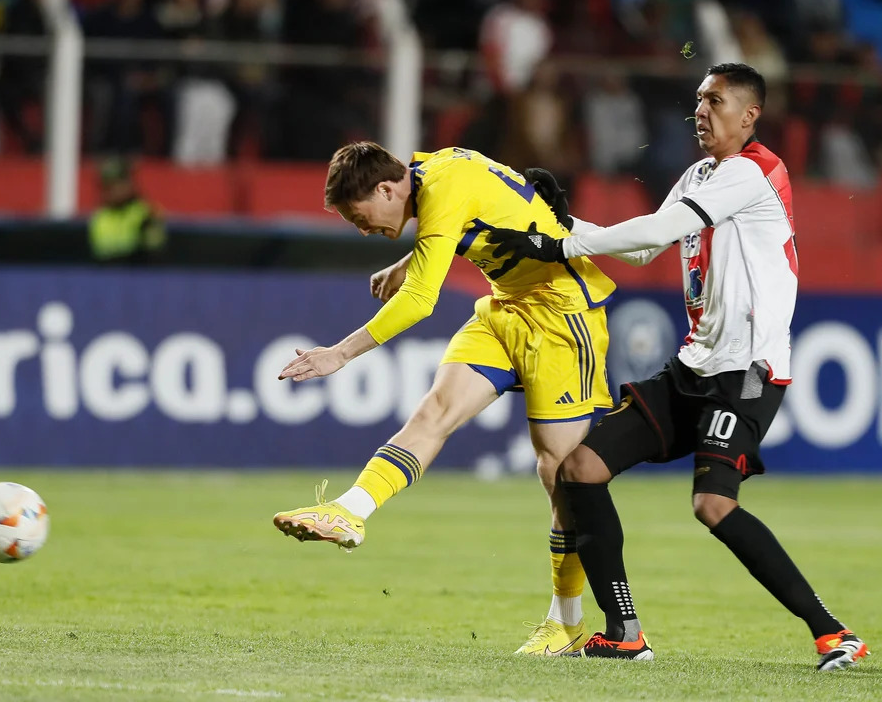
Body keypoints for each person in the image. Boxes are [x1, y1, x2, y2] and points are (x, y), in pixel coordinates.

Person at [486, 62, 869, 671]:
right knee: (579, 469)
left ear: (749, 116)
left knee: (712, 505)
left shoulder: (755, 171)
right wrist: (562, 220)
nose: (700, 111)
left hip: (746, 371)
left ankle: (832, 632)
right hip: (693, 365)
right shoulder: (700, 174)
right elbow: (643, 248)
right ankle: (624, 631)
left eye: (715, 101)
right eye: (697, 100)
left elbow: (665, 225)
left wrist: (560, 246)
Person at [273, 142, 647, 656]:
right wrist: (413, 257)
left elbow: (422, 302)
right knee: (434, 412)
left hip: (563, 315)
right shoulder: (428, 169)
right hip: (506, 307)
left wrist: (340, 352)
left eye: (361, 217)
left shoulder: (442, 182)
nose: (362, 230)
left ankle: (566, 619)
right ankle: (348, 510)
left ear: (386, 189)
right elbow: (477, 211)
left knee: (560, 473)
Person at [88, 157, 166, 262]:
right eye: (109, 185)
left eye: (120, 183)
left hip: (138, 274)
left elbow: (155, 250)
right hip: (106, 274)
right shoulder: (99, 217)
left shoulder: (146, 212)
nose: (116, 190)